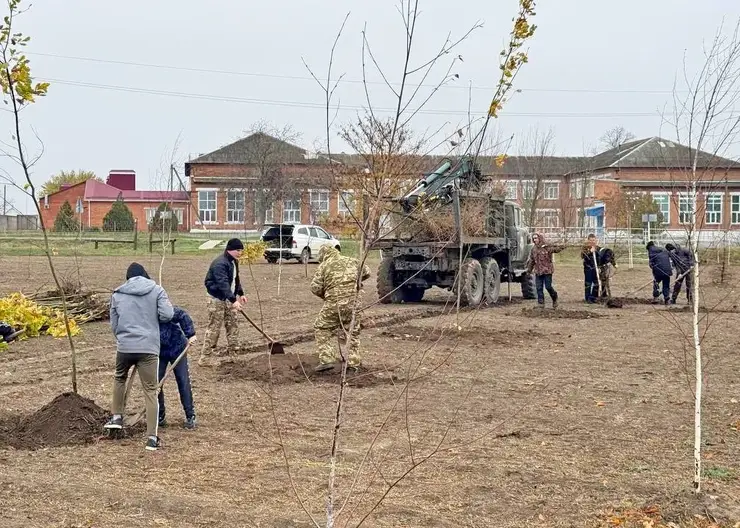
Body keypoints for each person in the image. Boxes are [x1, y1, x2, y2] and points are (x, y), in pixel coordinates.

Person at [104, 263, 174, 452]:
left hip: (125, 346)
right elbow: (168, 314)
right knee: (150, 391)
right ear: (145, 275)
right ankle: (152, 438)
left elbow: (114, 323)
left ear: (127, 278)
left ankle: (117, 417)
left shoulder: (118, 294)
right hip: (149, 348)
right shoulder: (156, 290)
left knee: (119, 377)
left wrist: (123, 337)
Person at [310, 244, 371, 372]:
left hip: (334, 304)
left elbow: (315, 288)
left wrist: (325, 295)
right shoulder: (352, 261)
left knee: (321, 327)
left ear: (323, 255)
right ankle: (353, 362)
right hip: (354, 304)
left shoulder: (324, 266)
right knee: (353, 331)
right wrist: (356, 283)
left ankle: (327, 360)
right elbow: (367, 272)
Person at [199, 238, 247, 365]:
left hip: (228, 298)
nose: (240, 253)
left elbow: (235, 279)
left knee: (233, 325)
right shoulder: (220, 263)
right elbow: (223, 284)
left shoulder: (233, 262)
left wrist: (240, 293)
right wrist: (233, 300)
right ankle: (205, 358)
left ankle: (234, 355)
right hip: (216, 299)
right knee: (214, 328)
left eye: (241, 250)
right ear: (229, 249)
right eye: (238, 250)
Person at [158, 306, 198, 430]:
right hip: (158, 351)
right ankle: (160, 416)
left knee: (183, 380)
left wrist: (190, 334)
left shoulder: (163, 310)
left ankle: (190, 416)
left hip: (177, 348)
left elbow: (182, 315)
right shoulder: (144, 316)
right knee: (156, 383)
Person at [526, 232, 566, 309]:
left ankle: (554, 298)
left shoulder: (547, 247)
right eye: (533, 238)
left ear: (540, 238)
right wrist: (529, 270)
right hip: (538, 271)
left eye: (536, 238)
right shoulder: (533, 249)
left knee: (548, 287)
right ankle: (541, 303)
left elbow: (556, 250)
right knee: (539, 287)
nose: (535, 240)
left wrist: (562, 246)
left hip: (547, 271)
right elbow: (532, 260)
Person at [581, 233, 602, 303]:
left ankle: (594, 297)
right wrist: (590, 252)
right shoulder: (585, 248)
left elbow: (599, 258)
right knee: (588, 283)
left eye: (594, 240)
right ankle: (588, 298)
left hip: (596, 268)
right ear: (588, 241)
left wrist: (599, 267)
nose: (592, 242)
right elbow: (583, 256)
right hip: (588, 268)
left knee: (597, 283)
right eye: (591, 240)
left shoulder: (598, 248)